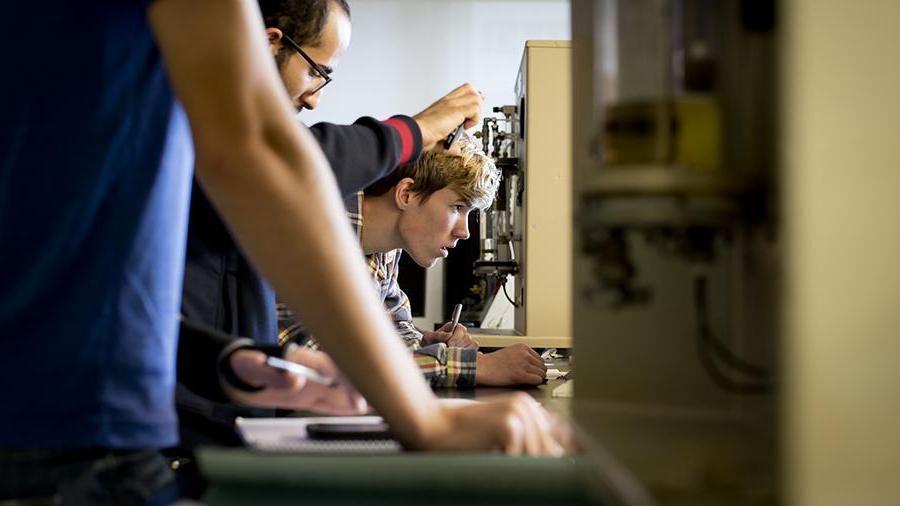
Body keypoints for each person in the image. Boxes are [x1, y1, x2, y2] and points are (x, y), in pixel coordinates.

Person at [0, 0, 564, 503]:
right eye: (318, 71)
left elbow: (83, 285)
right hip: (71, 434)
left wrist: (226, 356)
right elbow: (265, 150)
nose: (315, 99)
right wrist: (422, 420)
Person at [174, 0, 491, 457]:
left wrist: (245, 362)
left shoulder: (223, 158)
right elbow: (284, 160)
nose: (315, 98)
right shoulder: (204, 138)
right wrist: (415, 130)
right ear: (267, 45)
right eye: (316, 72)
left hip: (219, 430)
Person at [279, 135, 548, 388]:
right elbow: (326, 364)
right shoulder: (322, 232)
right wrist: (476, 366)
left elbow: (393, 328)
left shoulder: (383, 248)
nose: (464, 232)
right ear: (407, 194)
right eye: (457, 208)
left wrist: (426, 343)